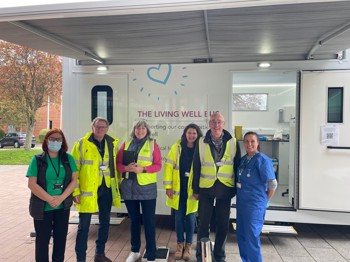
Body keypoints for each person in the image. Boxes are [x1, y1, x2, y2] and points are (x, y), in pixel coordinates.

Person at [192, 112, 241, 262]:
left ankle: (219, 256)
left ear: (224, 124)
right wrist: (195, 189)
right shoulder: (201, 142)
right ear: (209, 124)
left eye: (219, 122)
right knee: (203, 225)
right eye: (213, 122)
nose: (216, 125)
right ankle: (202, 256)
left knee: (222, 225)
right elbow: (197, 166)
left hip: (225, 189)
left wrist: (235, 189)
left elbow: (237, 166)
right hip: (206, 188)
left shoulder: (232, 142)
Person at [71, 117, 120, 262]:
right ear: (92, 127)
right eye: (97, 127)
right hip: (88, 190)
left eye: (103, 127)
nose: (100, 129)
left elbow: (115, 167)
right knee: (83, 226)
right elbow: (74, 170)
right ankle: (81, 258)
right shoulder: (81, 144)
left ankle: (100, 254)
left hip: (106, 188)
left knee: (105, 222)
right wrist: (76, 191)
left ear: (107, 129)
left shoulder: (112, 143)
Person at [26, 128, 77, 262]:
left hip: (62, 207)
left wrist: (61, 198)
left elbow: (74, 181)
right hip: (43, 208)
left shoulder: (68, 158)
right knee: (42, 242)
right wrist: (50, 199)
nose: (55, 141)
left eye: (58, 139)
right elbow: (32, 184)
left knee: (60, 242)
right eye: (52, 139)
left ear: (62, 142)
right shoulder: (37, 160)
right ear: (46, 141)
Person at [116, 119, 162, 262]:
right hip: (129, 189)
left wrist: (143, 169)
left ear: (147, 130)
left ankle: (151, 254)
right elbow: (117, 164)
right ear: (134, 130)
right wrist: (126, 168)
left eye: (143, 128)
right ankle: (135, 251)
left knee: (149, 222)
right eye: (137, 128)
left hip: (147, 189)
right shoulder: (126, 144)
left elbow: (158, 165)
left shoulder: (153, 144)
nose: (140, 131)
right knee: (134, 221)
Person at [236, 131, 278, 262]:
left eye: (252, 141)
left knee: (252, 236)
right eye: (246, 141)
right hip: (242, 203)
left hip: (255, 205)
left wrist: (264, 200)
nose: (249, 144)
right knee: (241, 235)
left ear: (258, 143)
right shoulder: (243, 160)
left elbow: (272, 184)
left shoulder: (263, 160)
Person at [163, 123, 203, 261]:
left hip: (193, 189)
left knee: (191, 219)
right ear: (185, 134)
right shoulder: (177, 147)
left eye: (194, 133)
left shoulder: (201, 149)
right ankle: (180, 246)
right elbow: (168, 167)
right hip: (178, 188)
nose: (191, 135)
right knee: (179, 218)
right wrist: (168, 187)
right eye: (189, 133)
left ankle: (189, 246)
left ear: (197, 135)